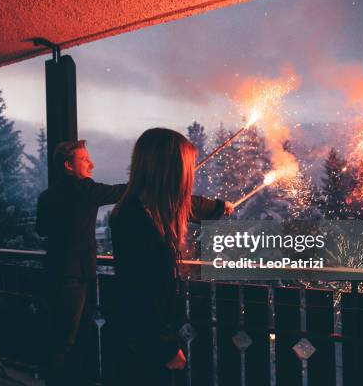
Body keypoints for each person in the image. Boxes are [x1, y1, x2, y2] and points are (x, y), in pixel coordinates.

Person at [110, 128, 233, 386]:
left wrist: (219, 208)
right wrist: (164, 346)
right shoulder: (137, 220)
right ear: (170, 169)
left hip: (140, 337)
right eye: (187, 166)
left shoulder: (142, 209)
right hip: (145, 342)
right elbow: (142, 290)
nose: (191, 174)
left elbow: (192, 204)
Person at [36, 140, 126, 386]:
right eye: (85, 159)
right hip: (76, 274)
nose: (92, 164)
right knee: (67, 339)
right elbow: (123, 192)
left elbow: (41, 230)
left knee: (60, 333)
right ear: (68, 165)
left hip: (55, 270)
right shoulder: (86, 189)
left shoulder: (47, 196)